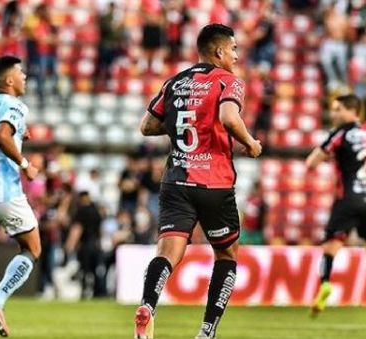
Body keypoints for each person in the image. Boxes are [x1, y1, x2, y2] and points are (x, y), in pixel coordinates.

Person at [133, 24, 262, 339]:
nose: (235, 55)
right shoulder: (228, 81)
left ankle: (148, 306)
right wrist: (250, 142)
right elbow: (230, 118)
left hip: (176, 180)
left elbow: (147, 126)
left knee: (167, 252)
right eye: (233, 49)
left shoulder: (176, 82)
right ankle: (207, 331)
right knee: (227, 255)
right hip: (214, 183)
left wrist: (186, 120)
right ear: (219, 51)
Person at [306, 94, 366, 325]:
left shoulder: (340, 133)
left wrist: (331, 159)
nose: (333, 114)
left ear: (352, 110)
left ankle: (326, 283)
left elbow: (311, 162)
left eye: (337, 109)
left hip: (347, 200)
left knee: (331, 247)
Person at [0, 56, 41, 337]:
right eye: (20, 72)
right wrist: (26, 165)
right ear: (9, 81)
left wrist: (19, 135)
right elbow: (2, 136)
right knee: (32, 248)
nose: (24, 75)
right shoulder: (15, 105)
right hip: (1, 189)